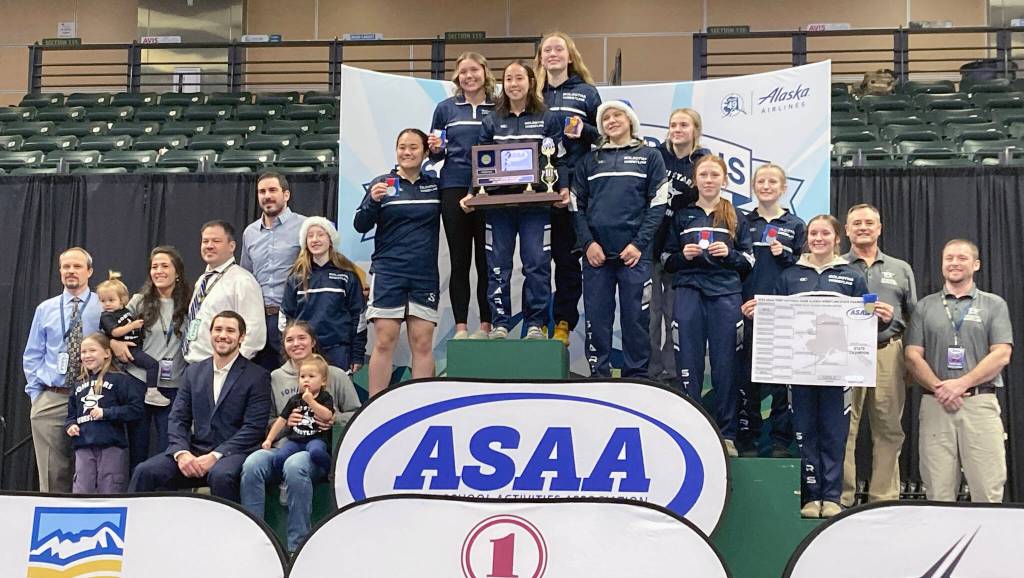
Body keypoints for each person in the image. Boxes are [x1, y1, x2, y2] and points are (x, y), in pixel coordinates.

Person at [742, 214, 876, 519]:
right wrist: (759, 312)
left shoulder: (851, 276)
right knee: (804, 431)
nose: (818, 238)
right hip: (799, 369)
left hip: (838, 370)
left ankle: (832, 496)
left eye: (825, 234)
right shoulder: (790, 276)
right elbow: (776, 316)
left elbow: (867, 311)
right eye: (813, 233)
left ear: (836, 238)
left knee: (834, 432)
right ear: (807, 239)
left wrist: (876, 310)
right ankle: (811, 494)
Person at [460, 60, 566, 341]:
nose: (514, 84)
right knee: (497, 266)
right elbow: (481, 163)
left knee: (537, 264)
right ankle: (500, 324)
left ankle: (535, 324)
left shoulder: (547, 118)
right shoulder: (492, 120)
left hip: (536, 206)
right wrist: (473, 192)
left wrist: (562, 188)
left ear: (531, 82)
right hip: (498, 207)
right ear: (502, 84)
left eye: (519, 78)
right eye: (508, 79)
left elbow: (560, 159)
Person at [905, 239, 1013, 503]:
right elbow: (912, 355)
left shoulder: (993, 304)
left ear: (976, 265)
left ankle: (987, 544)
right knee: (937, 492)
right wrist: (941, 387)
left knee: (987, 490)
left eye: (962, 258)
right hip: (935, 405)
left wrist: (961, 384)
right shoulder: (925, 306)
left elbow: (1002, 353)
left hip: (979, 404)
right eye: (949, 258)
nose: (954, 263)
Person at [240, 320, 361, 552]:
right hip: (284, 445)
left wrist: (332, 420)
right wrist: (285, 424)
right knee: (252, 463)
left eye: (302, 338)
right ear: (283, 346)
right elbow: (266, 420)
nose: (296, 344)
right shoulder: (274, 377)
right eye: (289, 340)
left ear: (313, 342)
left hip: (316, 452)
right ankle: (253, 540)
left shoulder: (335, 375)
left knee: (296, 465)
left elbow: (357, 413)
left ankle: (298, 547)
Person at [662, 155, 753, 456]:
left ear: (725, 180)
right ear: (696, 179)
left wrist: (729, 254)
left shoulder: (737, 216)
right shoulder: (681, 215)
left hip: (726, 294)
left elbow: (749, 262)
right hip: (688, 291)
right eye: (704, 174)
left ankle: (726, 435)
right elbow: (666, 259)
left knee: (726, 366)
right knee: (688, 363)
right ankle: (691, 431)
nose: (709, 179)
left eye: (715, 174)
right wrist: (682, 256)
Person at [129, 311, 271, 503]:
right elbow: (178, 418)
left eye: (230, 331)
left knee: (221, 475)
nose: (223, 335)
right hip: (193, 452)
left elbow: (253, 428)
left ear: (241, 337)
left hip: (233, 454)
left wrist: (215, 455)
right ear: (210, 333)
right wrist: (181, 453)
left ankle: (229, 532)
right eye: (218, 329)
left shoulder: (257, 376)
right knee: (145, 471)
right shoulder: (193, 372)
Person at [572, 100, 668, 377]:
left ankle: (636, 377)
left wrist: (639, 244)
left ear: (630, 121)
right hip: (596, 256)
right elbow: (576, 206)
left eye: (618, 115)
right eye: (606, 117)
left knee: (637, 319)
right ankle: (598, 374)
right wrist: (588, 243)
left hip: (634, 256)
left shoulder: (650, 157)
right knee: (597, 319)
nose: (612, 121)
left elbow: (658, 204)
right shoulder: (589, 161)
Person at [840, 204, 917, 506]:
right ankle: (843, 498)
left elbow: (915, 316)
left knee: (888, 429)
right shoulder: (836, 266)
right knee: (844, 429)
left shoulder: (900, 269)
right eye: (856, 223)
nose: (862, 227)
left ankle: (883, 500)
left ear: (879, 228)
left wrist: (911, 361)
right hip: (846, 354)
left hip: (888, 352)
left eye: (869, 223)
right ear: (846, 230)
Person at [354, 128, 441, 397]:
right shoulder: (383, 183)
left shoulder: (435, 184)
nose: (407, 152)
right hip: (389, 271)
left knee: (423, 343)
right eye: (402, 147)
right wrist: (373, 201)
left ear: (425, 152)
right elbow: (360, 225)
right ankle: (375, 406)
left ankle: (421, 406)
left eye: (413, 147)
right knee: (384, 341)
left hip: (424, 274)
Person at [734, 165, 806, 458]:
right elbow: (733, 263)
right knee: (746, 380)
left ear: (783, 187)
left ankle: (779, 441)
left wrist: (786, 255)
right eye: (761, 181)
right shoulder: (741, 220)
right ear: (753, 186)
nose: (766, 186)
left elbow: (806, 269)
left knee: (780, 383)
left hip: (783, 314)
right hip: (746, 310)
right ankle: (747, 439)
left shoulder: (796, 224)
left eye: (772, 181)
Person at [536, 31, 602, 346]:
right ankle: (534, 323)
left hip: (573, 186)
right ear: (541, 57)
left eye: (558, 49)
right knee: (533, 259)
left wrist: (584, 129)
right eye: (547, 49)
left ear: (569, 55)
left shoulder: (587, 93)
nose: (552, 54)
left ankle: (562, 322)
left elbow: (605, 138)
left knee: (565, 258)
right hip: (534, 187)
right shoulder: (532, 92)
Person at [428, 51, 496, 340]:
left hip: (490, 188)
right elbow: (436, 152)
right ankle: (460, 327)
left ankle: (486, 325)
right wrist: (433, 147)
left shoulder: (499, 106)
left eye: (474, 71)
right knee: (459, 260)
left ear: (484, 72)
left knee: (487, 260)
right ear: (457, 78)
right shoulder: (445, 108)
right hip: (453, 186)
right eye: (463, 72)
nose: (469, 76)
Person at [24, 246, 102, 492]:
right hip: (53, 395)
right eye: (66, 267)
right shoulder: (45, 309)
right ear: (59, 272)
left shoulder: (103, 306)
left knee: (91, 469)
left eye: (77, 266)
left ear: (89, 271)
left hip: (92, 396)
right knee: (52, 472)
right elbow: (33, 354)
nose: (71, 271)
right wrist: (37, 396)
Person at [111, 246, 190, 471]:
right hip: (139, 381)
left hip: (173, 385)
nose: (159, 271)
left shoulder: (190, 303)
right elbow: (111, 325)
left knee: (170, 449)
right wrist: (114, 342)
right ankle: (137, 498)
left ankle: (166, 499)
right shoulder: (138, 301)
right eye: (154, 266)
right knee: (138, 447)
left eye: (165, 266)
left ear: (177, 273)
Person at [651, 108, 710, 382]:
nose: (677, 129)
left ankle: (672, 373)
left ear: (695, 130)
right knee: (649, 316)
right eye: (673, 124)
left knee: (674, 314)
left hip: (681, 249)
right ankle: (649, 373)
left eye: (684, 125)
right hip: (650, 244)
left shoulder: (703, 162)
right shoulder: (655, 157)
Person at [281, 217, 367, 373]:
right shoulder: (295, 278)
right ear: (304, 242)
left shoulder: (347, 276)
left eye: (320, 234)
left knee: (337, 396)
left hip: (339, 351)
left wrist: (357, 355)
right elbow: (285, 319)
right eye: (310, 235)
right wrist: (292, 349)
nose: (315, 240)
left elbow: (359, 318)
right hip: (305, 352)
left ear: (331, 239)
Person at [241, 171, 306, 372]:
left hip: (293, 318)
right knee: (260, 381)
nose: (267, 196)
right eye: (262, 191)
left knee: (296, 379)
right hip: (258, 320)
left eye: (272, 190)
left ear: (286, 195)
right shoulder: (249, 233)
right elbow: (246, 277)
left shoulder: (304, 226)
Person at [65, 333, 144, 493]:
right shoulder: (79, 383)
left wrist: (107, 413)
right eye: (83, 352)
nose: (87, 355)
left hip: (111, 446)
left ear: (107, 353)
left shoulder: (120, 380)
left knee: (110, 488)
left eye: (92, 350)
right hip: (83, 446)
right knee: (82, 489)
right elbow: (71, 414)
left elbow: (135, 410)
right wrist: (71, 425)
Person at [183, 220, 266, 364]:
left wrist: (231, 366)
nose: (209, 246)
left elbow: (255, 333)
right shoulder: (202, 281)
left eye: (216, 241)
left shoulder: (242, 281)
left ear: (231, 246)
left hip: (220, 367)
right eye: (205, 241)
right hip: (193, 365)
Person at [261, 354, 334, 475]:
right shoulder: (295, 399)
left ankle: (329, 472)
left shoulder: (325, 397)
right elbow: (281, 420)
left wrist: (311, 401)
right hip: (295, 440)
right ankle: (281, 478)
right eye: (302, 376)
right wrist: (269, 439)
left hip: (316, 439)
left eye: (311, 376)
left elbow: (327, 416)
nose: (306, 380)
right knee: (279, 457)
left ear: (323, 381)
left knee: (317, 452)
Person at [98, 273, 160, 393]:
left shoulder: (125, 310)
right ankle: (152, 391)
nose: (107, 304)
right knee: (152, 364)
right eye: (103, 301)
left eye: (111, 300)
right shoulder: (106, 316)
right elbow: (115, 332)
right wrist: (132, 325)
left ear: (122, 300)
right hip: (128, 349)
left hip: (137, 344)